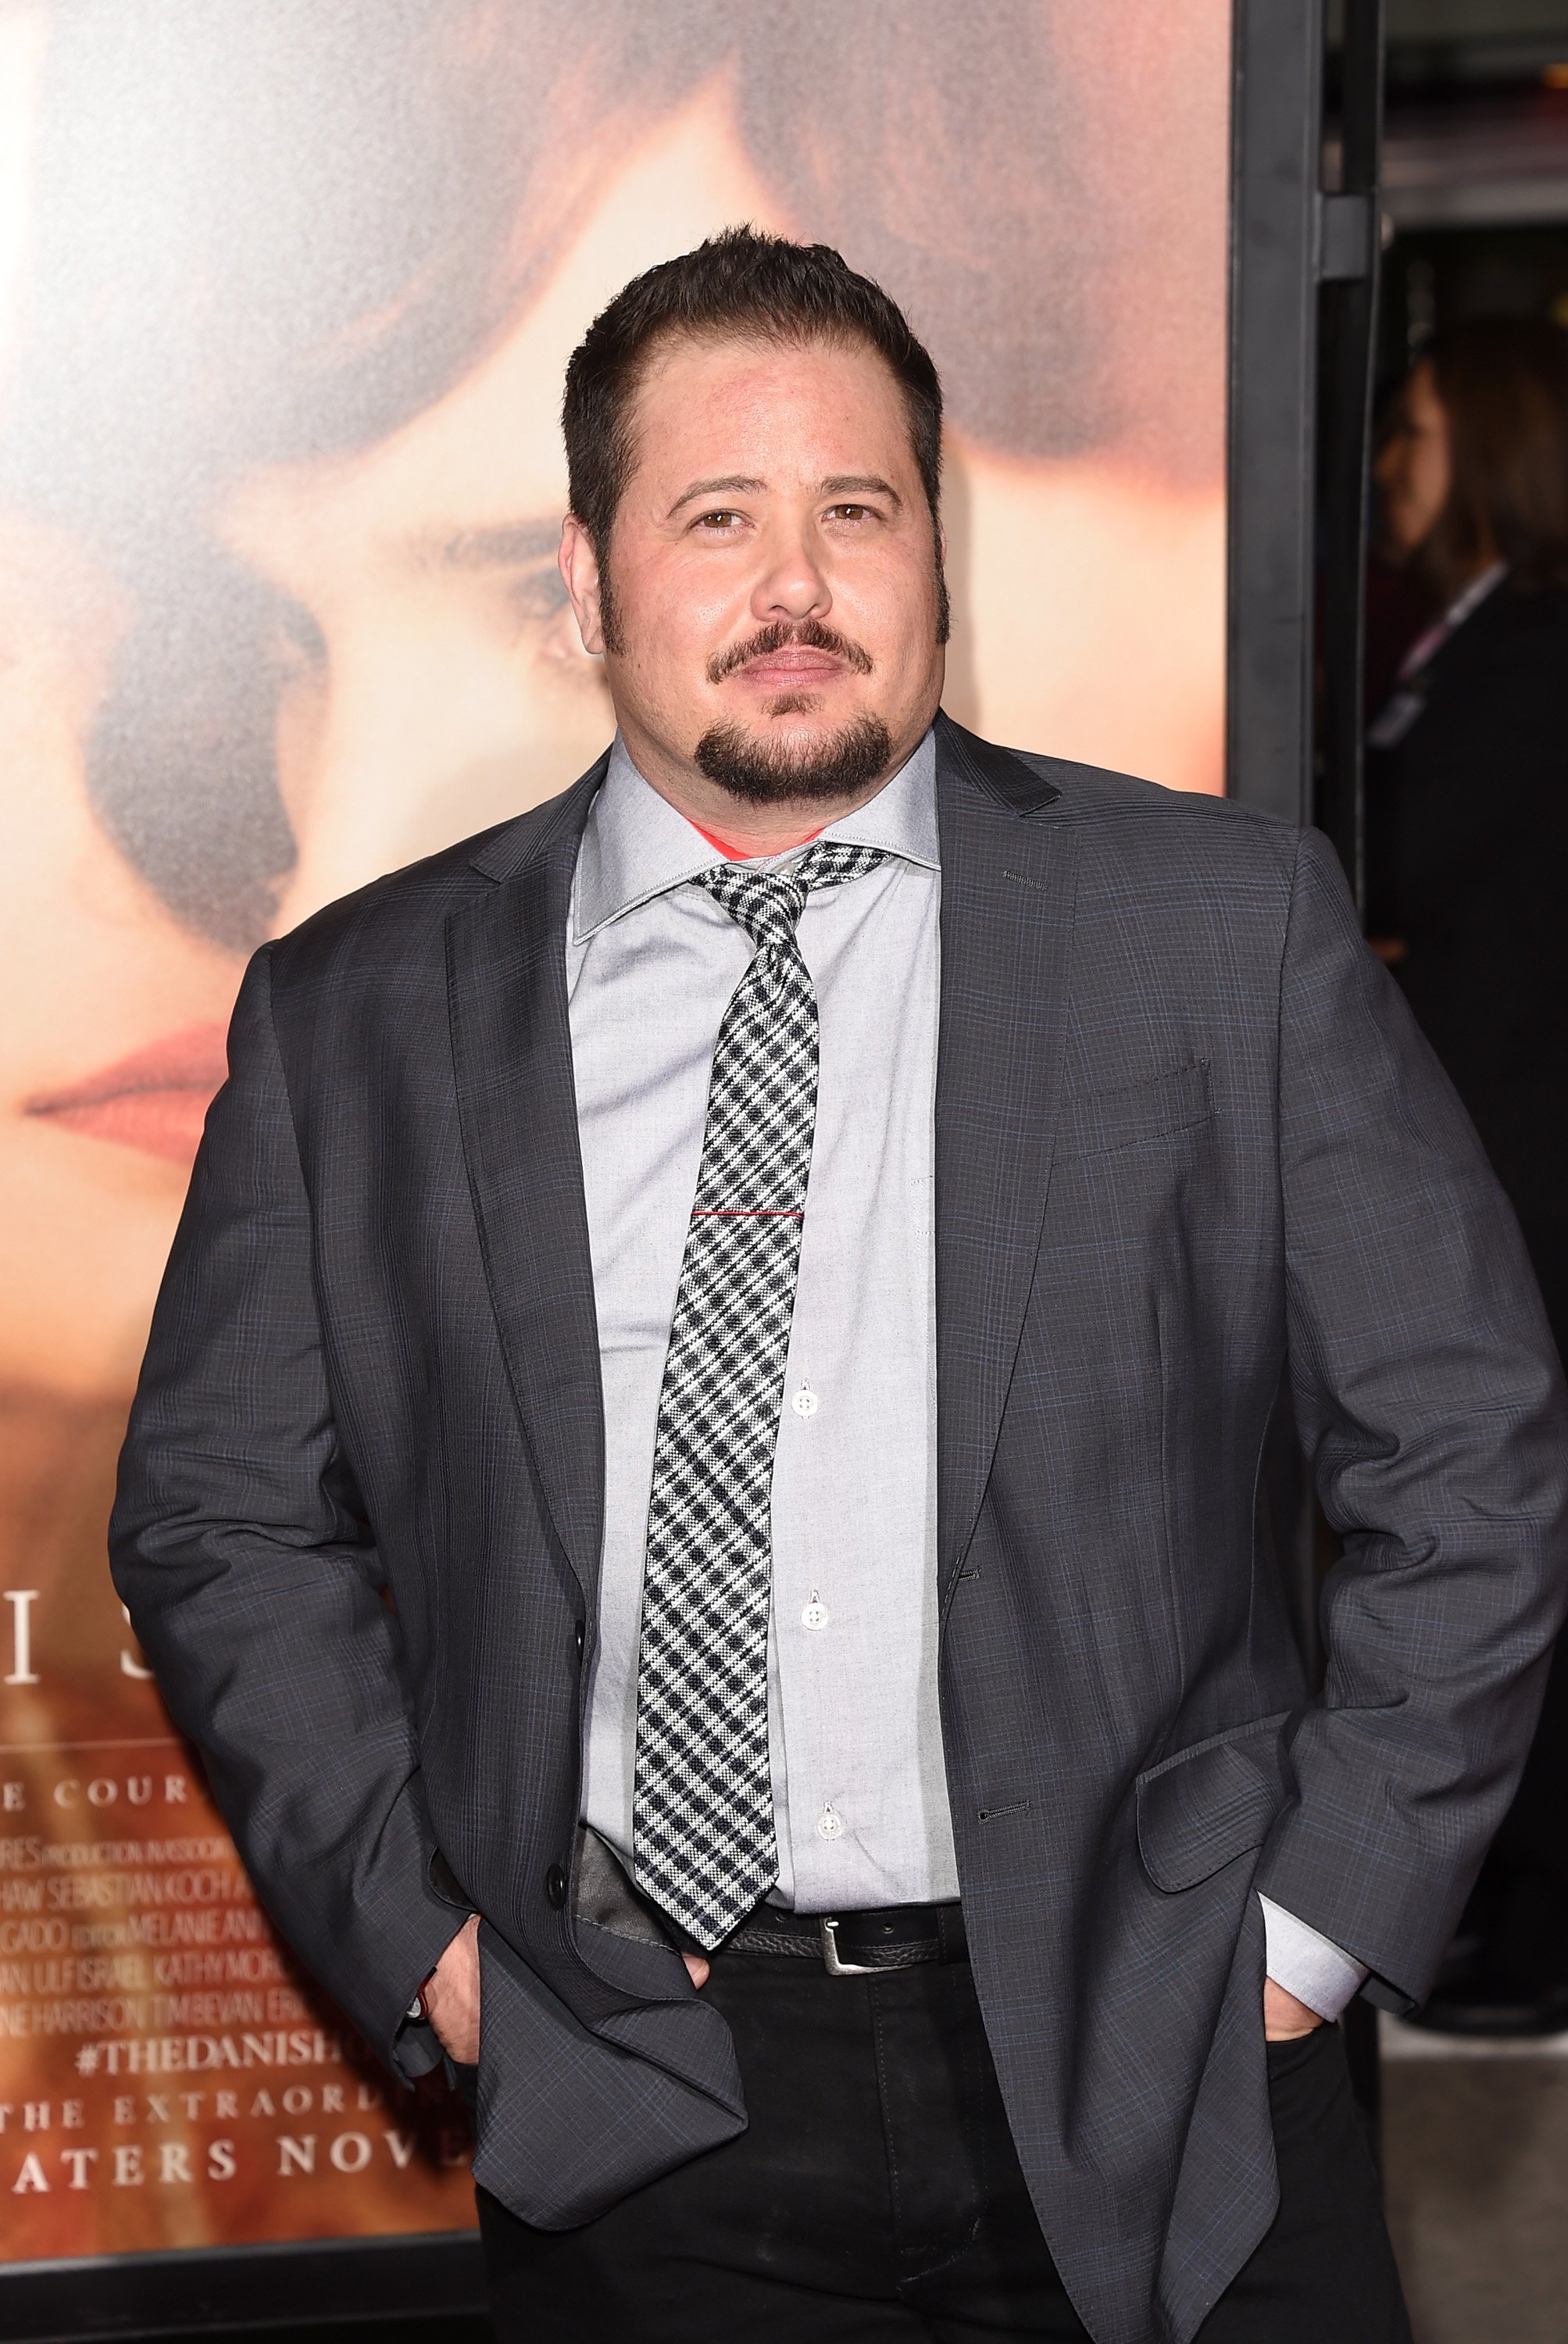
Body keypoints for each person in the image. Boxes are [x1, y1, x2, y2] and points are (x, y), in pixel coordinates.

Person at [112, 228, 1567, 2344]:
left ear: (937, 560)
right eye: (719, 517)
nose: (799, 584)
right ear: (591, 582)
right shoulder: (363, 1015)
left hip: (1161, 2059)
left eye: (859, 511)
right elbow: (222, 1513)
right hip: (634, 2093)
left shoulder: (1214, 926)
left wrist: (1312, 1927)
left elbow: (1472, 1444)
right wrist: (431, 1947)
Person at [1366, 316, 1568, 2038]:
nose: (1387, 465)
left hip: (1526, 1160)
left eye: (1416, 431)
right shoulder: (1467, 637)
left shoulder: (1536, 652)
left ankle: (1535, 1927)